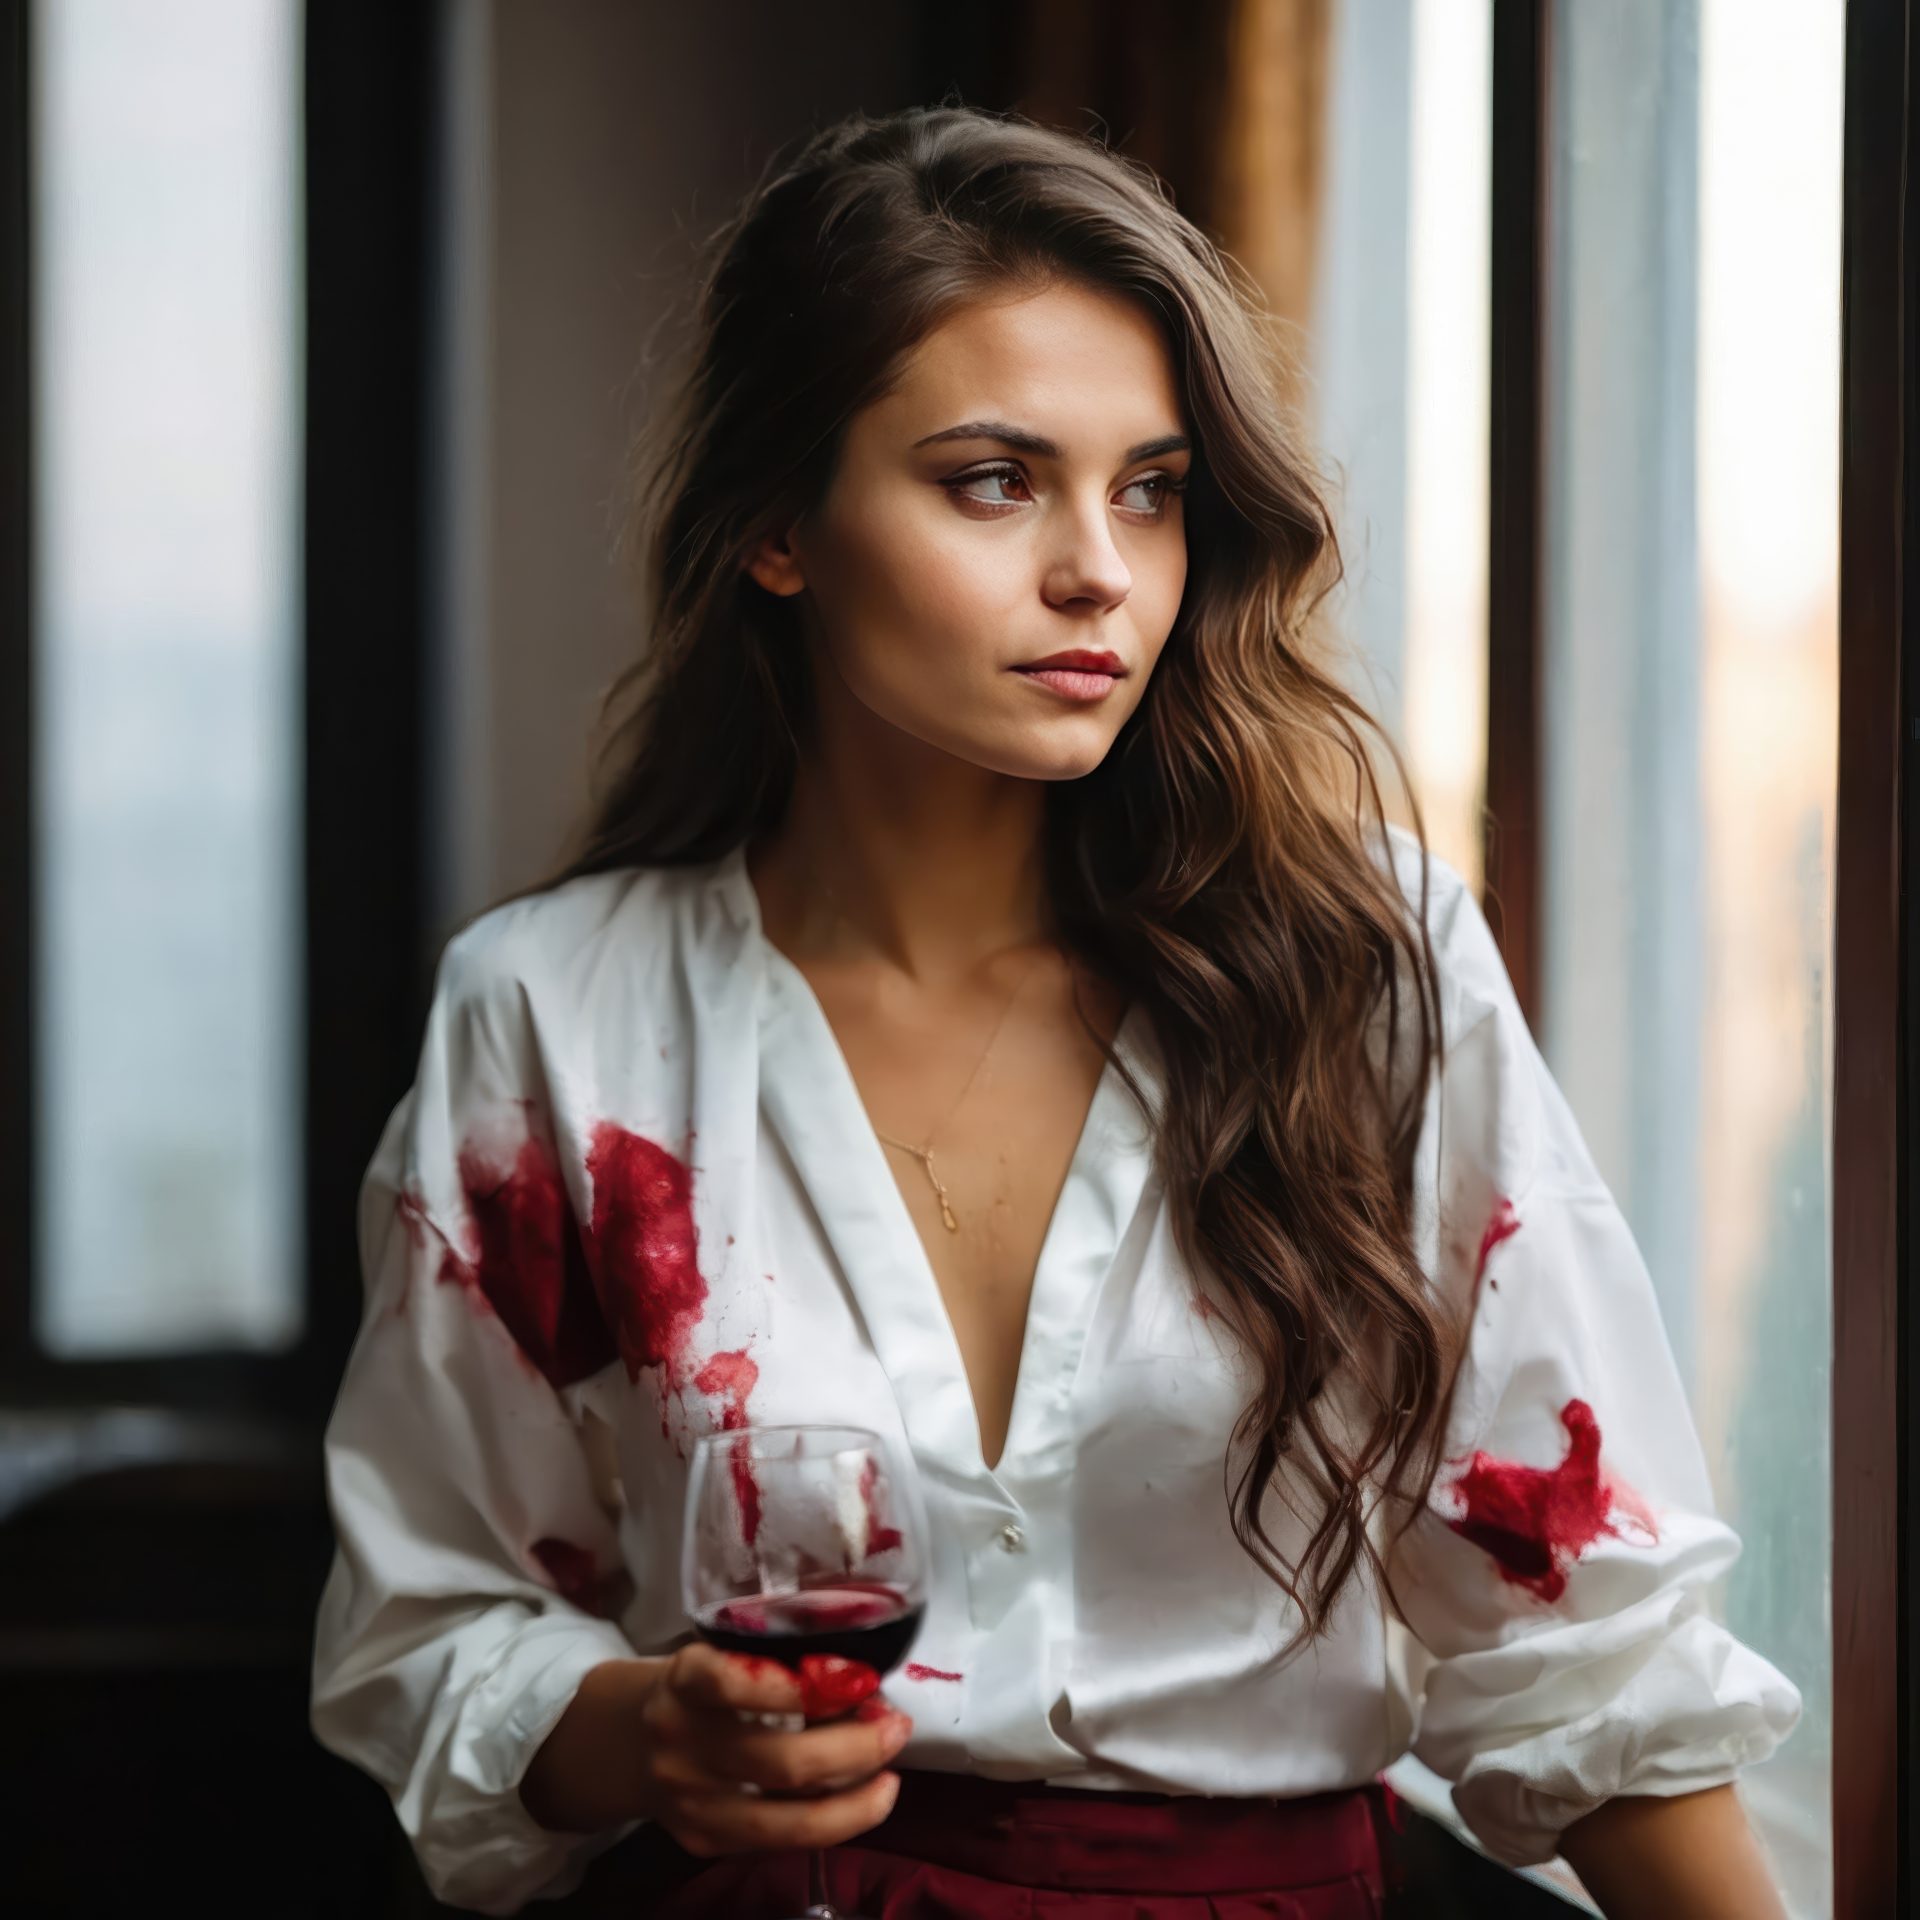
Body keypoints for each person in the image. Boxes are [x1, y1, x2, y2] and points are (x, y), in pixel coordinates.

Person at [310, 103, 1801, 1918]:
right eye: (994, 481)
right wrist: (650, 1732)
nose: (1101, 567)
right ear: (778, 523)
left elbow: (1599, 1656)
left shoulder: (1364, 974)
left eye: (1152, 489)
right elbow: (427, 1625)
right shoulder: (558, 1020)